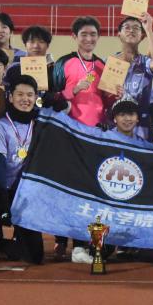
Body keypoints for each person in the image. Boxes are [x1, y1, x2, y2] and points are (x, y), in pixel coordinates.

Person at [51, 16, 109, 262]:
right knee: (68, 190)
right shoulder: (63, 63)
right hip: (69, 135)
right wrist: (73, 90)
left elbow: (108, 102)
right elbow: (51, 98)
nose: (89, 39)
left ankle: (86, 245)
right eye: (84, 34)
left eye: (93, 34)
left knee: (91, 191)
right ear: (74, 36)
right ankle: (63, 240)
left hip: (95, 137)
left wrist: (116, 95)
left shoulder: (103, 65)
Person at [0, 75, 45, 264]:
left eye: (29, 95)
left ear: (35, 98)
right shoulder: (0, 127)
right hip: (8, 190)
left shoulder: (40, 124)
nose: (25, 99)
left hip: (29, 192)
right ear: (10, 97)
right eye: (20, 94)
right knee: (25, 254)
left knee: (35, 257)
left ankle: (8, 243)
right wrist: (5, 205)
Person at [109, 14, 153, 140]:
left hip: (141, 128)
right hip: (114, 126)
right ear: (119, 35)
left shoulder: (145, 63)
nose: (131, 30)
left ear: (142, 36)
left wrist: (148, 29)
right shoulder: (109, 62)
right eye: (127, 27)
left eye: (136, 28)